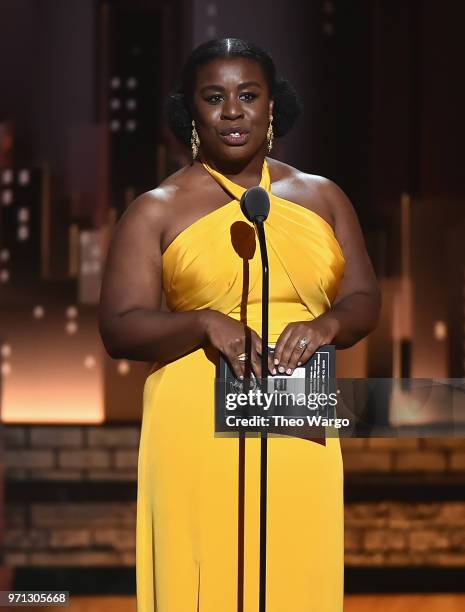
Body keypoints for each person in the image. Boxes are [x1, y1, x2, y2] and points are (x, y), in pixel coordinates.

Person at [99, 38, 381, 612]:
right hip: (194, 418)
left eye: (249, 95)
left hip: (297, 410)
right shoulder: (157, 207)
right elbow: (120, 327)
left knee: (293, 567)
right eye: (215, 97)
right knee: (207, 570)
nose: (233, 111)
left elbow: (363, 300)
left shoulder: (323, 198)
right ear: (191, 111)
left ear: (272, 105)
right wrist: (204, 324)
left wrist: (326, 325)